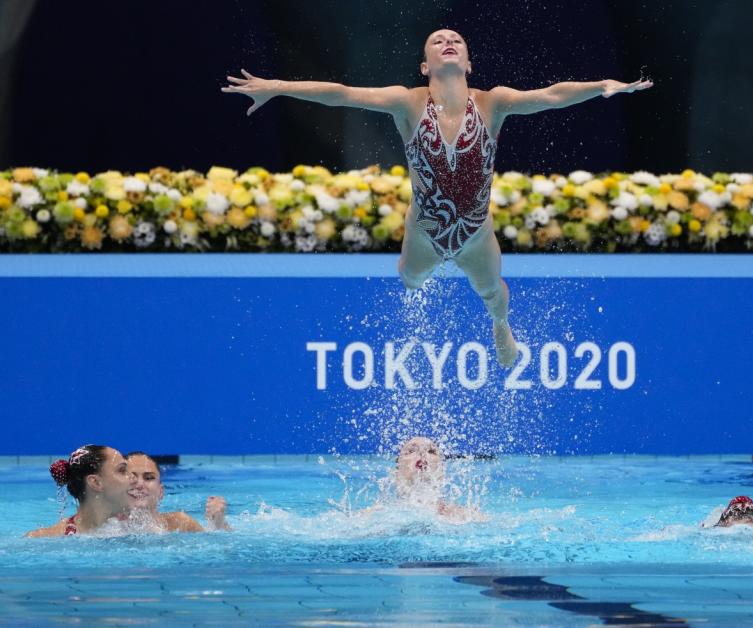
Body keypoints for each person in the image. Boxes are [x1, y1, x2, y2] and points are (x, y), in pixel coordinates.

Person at [222, 29, 653, 367]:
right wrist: (276, 85)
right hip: (424, 232)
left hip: (476, 233)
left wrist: (601, 85)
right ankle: (442, 283)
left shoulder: (493, 103)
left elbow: (552, 95)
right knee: (410, 280)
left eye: (457, 41)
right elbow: (343, 93)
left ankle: (501, 327)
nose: (448, 43)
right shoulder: (406, 102)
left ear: (468, 61)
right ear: (425, 66)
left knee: (494, 295)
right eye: (437, 42)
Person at [26, 445, 133, 537]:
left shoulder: (141, 526)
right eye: (122, 471)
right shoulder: (45, 538)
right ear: (95, 482)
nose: (133, 478)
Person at [126, 451, 231, 532]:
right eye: (131, 477)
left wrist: (218, 523)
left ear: (161, 492)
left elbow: (217, 548)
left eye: (148, 478)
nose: (139, 484)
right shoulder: (110, 527)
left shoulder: (180, 524)